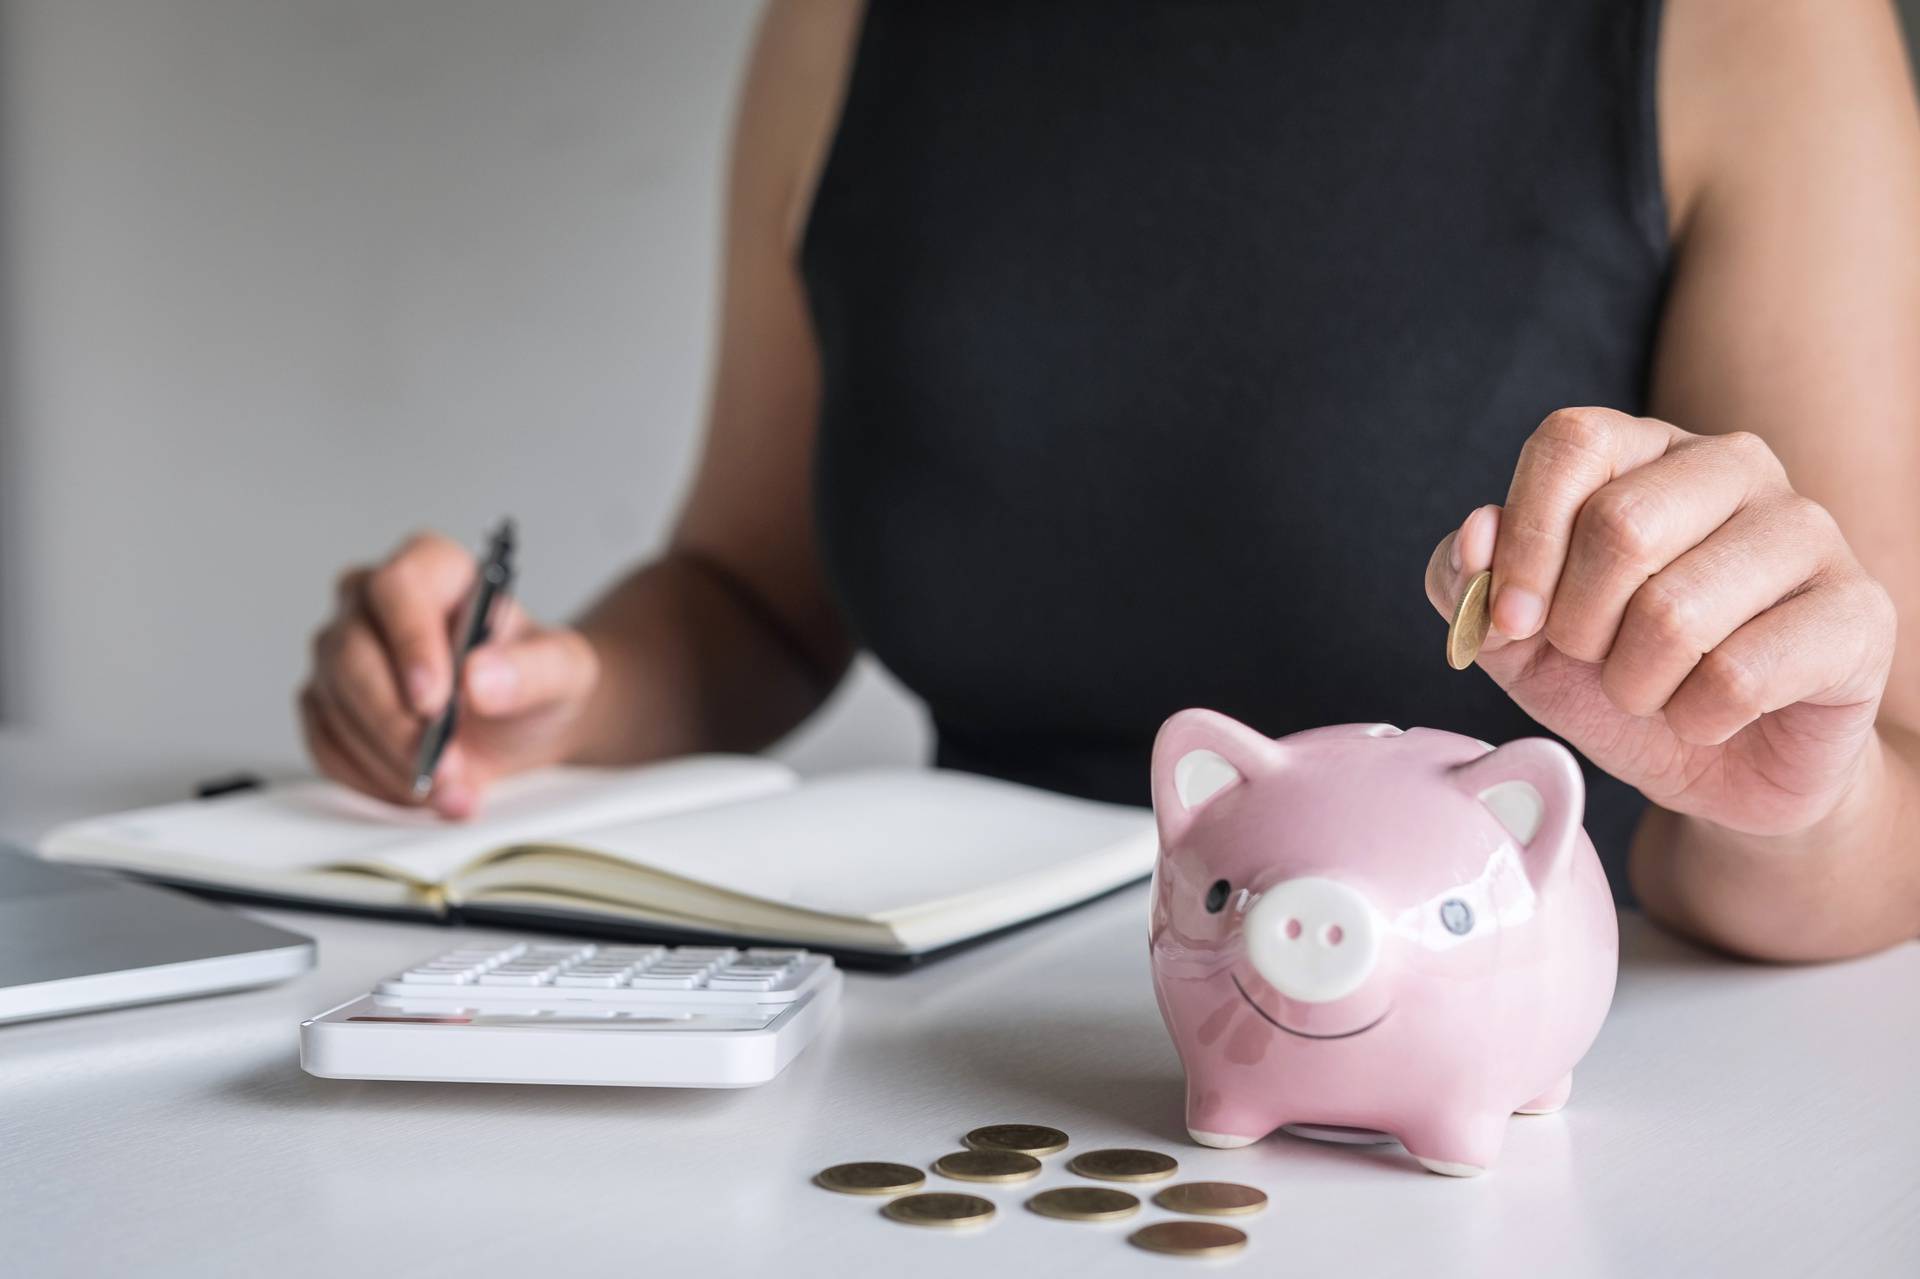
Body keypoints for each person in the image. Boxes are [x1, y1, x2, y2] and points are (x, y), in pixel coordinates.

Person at [299, 0, 1920, 963]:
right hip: (929, 1054)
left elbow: (1878, 781)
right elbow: (751, 594)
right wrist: (544, 694)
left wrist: (1796, 813)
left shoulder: (1749, 28)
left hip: (1504, 1065)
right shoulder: (851, 26)